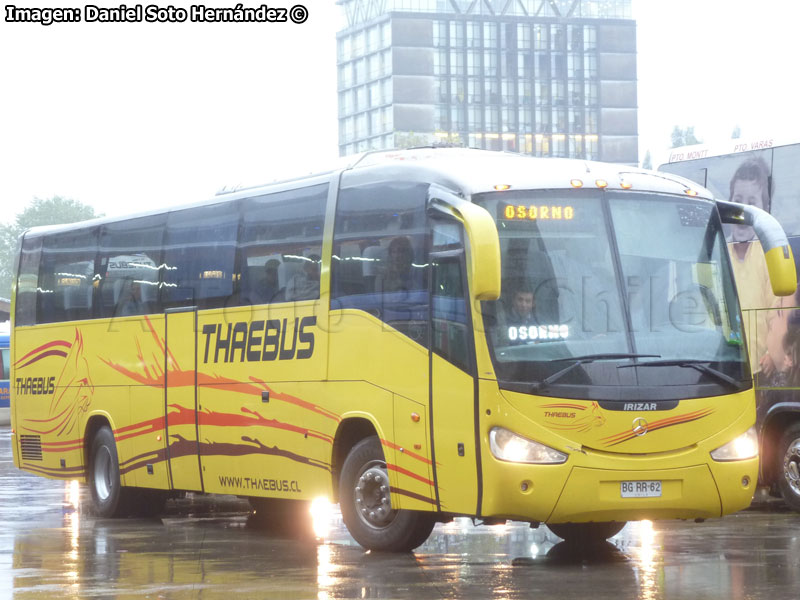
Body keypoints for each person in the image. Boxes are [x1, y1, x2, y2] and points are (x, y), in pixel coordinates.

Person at [727, 157, 776, 371]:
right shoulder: (717, 254)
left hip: (760, 370)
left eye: (751, 203)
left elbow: (777, 311)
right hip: (724, 370)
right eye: (737, 200)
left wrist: (773, 353)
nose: (742, 212)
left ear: (765, 209)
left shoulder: (767, 256)